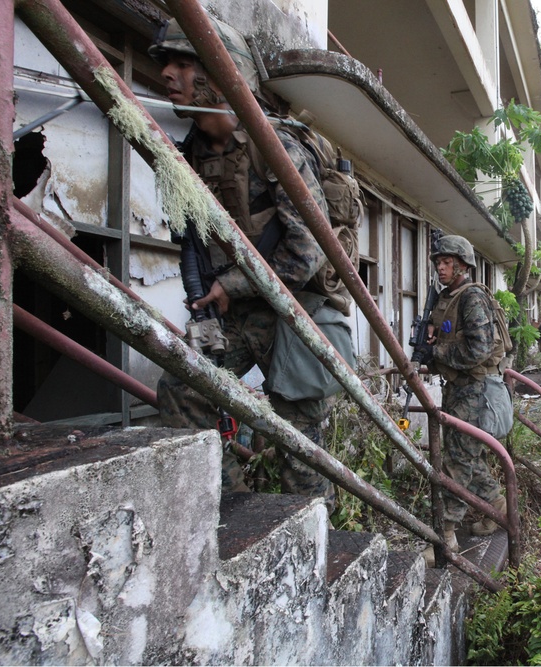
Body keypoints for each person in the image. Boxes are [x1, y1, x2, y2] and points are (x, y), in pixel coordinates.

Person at [151, 18, 346, 505]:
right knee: (182, 389)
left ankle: (311, 535)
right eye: (165, 65)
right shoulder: (189, 155)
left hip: (292, 307)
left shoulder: (273, 147)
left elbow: (306, 252)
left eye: (183, 63)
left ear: (220, 75)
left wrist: (231, 286)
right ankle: (228, 508)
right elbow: (190, 240)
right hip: (234, 311)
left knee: (297, 435)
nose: (167, 76)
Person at [413, 235, 508, 565]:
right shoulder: (446, 297)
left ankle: (446, 536)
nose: (440, 266)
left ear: (463, 265)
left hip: (474, 390)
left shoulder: (471, 298)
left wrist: (436, 351)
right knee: (468, 456)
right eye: (438, 262)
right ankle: (499, 509)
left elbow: (479, 349)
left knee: (456, 462)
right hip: (458, 389)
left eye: (447, 262)